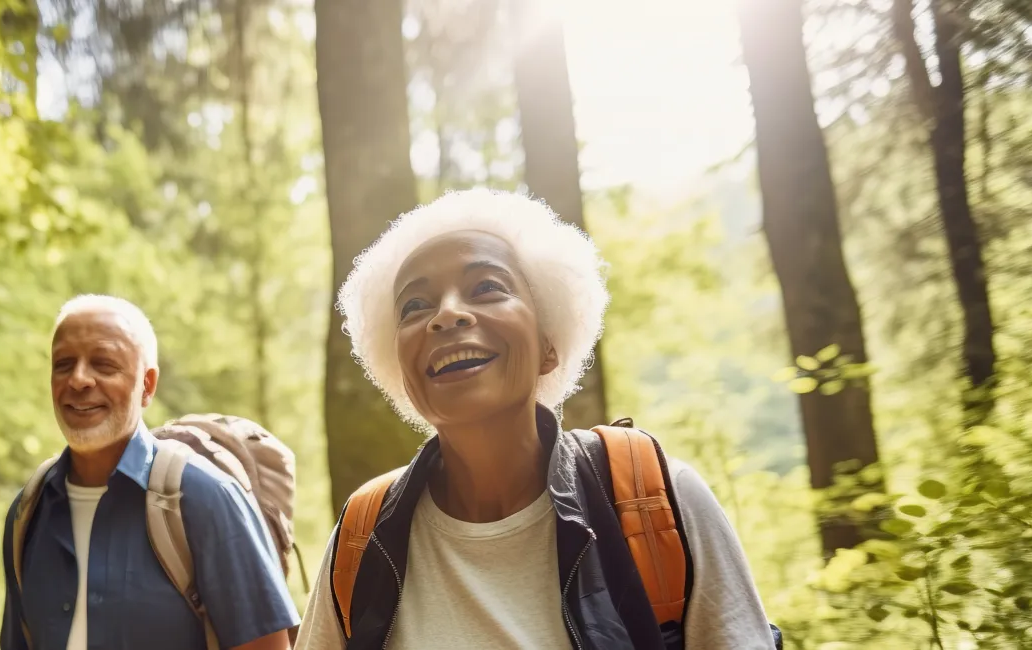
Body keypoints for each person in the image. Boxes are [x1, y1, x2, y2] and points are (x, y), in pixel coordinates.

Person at [294, 189, 777, 649]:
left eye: (486, 287)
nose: (446, 315)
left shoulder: (654, 500)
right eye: (414, 306)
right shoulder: (364, 534)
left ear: (550, 344)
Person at [0, 295, 299, 650]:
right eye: (64, 364)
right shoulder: (29, 511)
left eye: (104, 364)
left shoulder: (206, 499)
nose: (78, 379)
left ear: (148, 384)